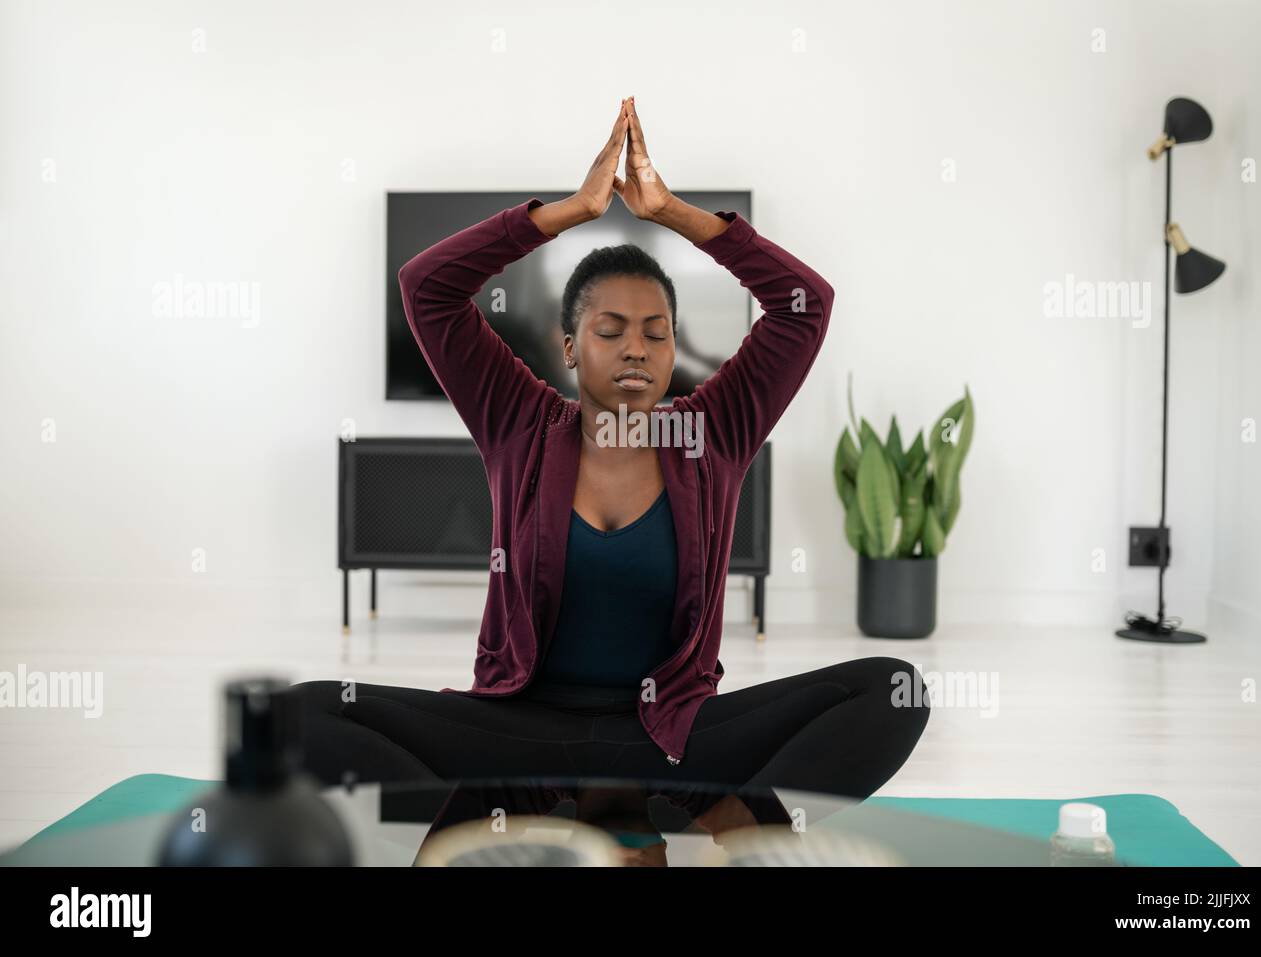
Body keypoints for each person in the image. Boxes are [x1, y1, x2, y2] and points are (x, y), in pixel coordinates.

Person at [288, 97, 930, 837]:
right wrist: (567, 211)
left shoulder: (712, 430)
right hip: (520, 736)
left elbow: (803, 306)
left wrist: (672, 213)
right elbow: (426, 288)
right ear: (569, 346)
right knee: (305, 710)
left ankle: (695, 812)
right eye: (611, 329)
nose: (637, 348)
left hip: (675, 739)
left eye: (657, 333)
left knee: (894, 688)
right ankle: (551, 816)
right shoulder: (520, 421)